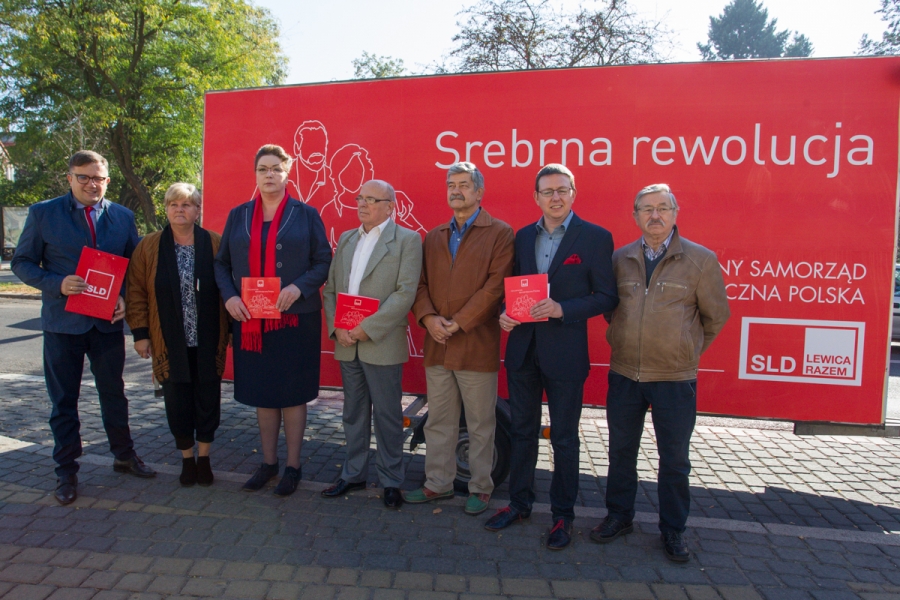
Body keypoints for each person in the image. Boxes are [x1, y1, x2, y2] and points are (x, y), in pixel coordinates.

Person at [591, 183, 730, 562]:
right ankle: (619, 516)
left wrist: (685, 350)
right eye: (647, 209)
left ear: (675, 213)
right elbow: (611, 309)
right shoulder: (620, 259)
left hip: (674, 379)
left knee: (674, 460)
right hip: (625, 374)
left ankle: (673, 530)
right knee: (621, 452)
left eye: (663, 208)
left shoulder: (700, 260)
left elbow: (716, 316)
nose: (655, 215)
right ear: (635, 216)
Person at [484, 164, 618, 550]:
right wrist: (504, 313)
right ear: (536, 197)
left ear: (573, 193)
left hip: (565, 355)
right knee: (522, 433)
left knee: (564, 438)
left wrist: (563, 309)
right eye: (547, 191)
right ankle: (519, 504)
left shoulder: (595, 237)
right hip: (523, 351)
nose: (555, 197)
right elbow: (511, 288)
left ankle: (563, 516)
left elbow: (606, 296)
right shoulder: (524, 236)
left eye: (562, 190)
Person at [11, 150, 155, 506]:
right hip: (63, 325)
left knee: (114, 394)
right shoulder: (43, 213)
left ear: (108, 180)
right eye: (84, 177)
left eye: (99, 178)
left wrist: (123, 296)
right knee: (64, 401)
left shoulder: (122, 216)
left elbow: (134, 266)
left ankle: (124, 455)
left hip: (106, 325)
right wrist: (56, 283)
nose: (92, 184)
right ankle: (66, 470)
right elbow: (22, 262)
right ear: (70, 178)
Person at [214, 144, 332, 497]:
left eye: (276, 169)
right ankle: (268, 464)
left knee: (292, 394)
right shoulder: (238, 215)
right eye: (263, 169)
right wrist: (229, 296)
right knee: (264, 394)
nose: (269, 175)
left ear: (287, 173)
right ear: (255, 174)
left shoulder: (306, 214)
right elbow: (221, 264)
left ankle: (293, 466)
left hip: (295, 320)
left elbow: (323, 261)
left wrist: (299, 287)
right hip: (251, 320)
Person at [406, 162, 515, 516]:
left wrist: (459, 323)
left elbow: (495, 287)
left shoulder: (500, 233)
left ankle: (481, 487)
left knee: (481, 423)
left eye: (464, 184)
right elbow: (419, 284)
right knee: (439, 420)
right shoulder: (434, 236)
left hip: (475, 345)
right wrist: (428, 319)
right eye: (451, 184)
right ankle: (437, 484)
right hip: (437, 344)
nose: (456, 190)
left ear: (479, 192)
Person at [321, 179, 422, 509]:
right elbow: (331, 290)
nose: (362, 204)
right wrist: (338, 328)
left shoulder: (407, 240)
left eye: (371, 199)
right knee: (353, 413)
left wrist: (367, 328)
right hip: (347, 341)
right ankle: (353, 474)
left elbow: (405, 293)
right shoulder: (347, 238)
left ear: (390, 206)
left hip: (381, 341)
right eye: (359, 198)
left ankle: (391, 480)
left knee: (388, 416)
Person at [126, 183, 230, 487]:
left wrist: (233, 330)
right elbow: (136, 292)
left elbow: (229, 287)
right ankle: (187, 459)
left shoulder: (214, 242)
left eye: (186, 204)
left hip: (208, 339)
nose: (179, 209)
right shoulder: (148, 246)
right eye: (173, 204)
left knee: (208, 400)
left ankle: (205, 459)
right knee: (177, 402)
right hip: (169, 340)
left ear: (197, 210)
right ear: (166, 209)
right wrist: (140, 334)